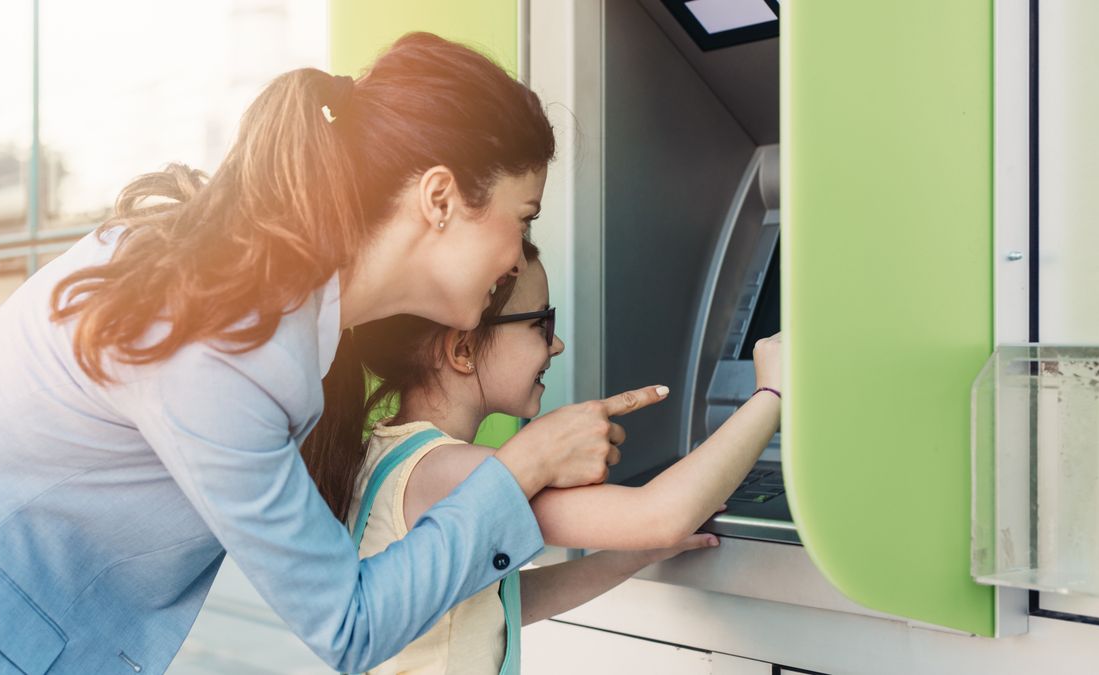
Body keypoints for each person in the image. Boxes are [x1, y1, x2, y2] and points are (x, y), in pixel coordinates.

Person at [0, 33, 665, 674]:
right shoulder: (226, 339)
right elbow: (350, 626)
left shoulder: (276, 302)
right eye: (520, 217)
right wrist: (524, 463)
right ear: (439, 199)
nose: (517, 255)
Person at [315, 241, 781, 673]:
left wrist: (637, 556)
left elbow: (500, 603)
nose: (556, 344)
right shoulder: (449, 472)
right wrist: (773, 392)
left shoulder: (388, 453)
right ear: (462, 349)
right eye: (542, 324)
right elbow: (661, 514)